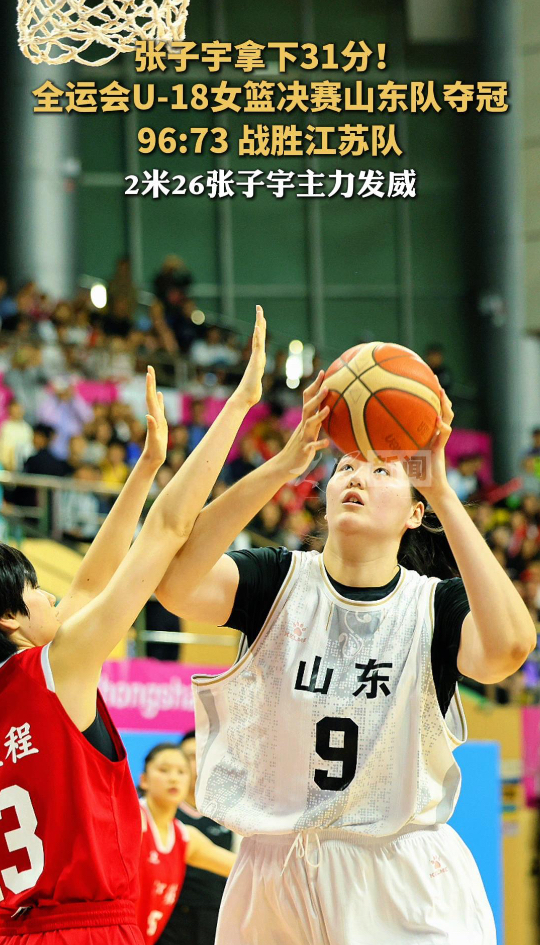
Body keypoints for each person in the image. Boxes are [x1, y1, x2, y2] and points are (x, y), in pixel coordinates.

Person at [156, 371, 536, 945]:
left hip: (398, 868)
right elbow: (175, 583)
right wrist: (280, 468)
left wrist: (443, 493)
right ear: (326, 497)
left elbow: (509, 649)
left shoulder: (435, 605)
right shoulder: (276, 580)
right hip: (273, 868)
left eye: (383, 471)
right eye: (345, 467)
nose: (357, 475)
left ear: (414, 513)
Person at [0, 309, 266, 944]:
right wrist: (238, 405)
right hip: (85, 927)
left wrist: (146, 466)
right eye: (34, 589)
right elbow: (166, 532)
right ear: (9, 618)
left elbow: (89, 586)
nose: (51, 594)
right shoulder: (54, 669)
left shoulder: (31, 676)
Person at [138, 743, 235, 945]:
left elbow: (240, 868)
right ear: (144, 780)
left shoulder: (185, 836)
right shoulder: (132, 820)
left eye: (181, 772)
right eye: (164, 770)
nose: (174, 778)